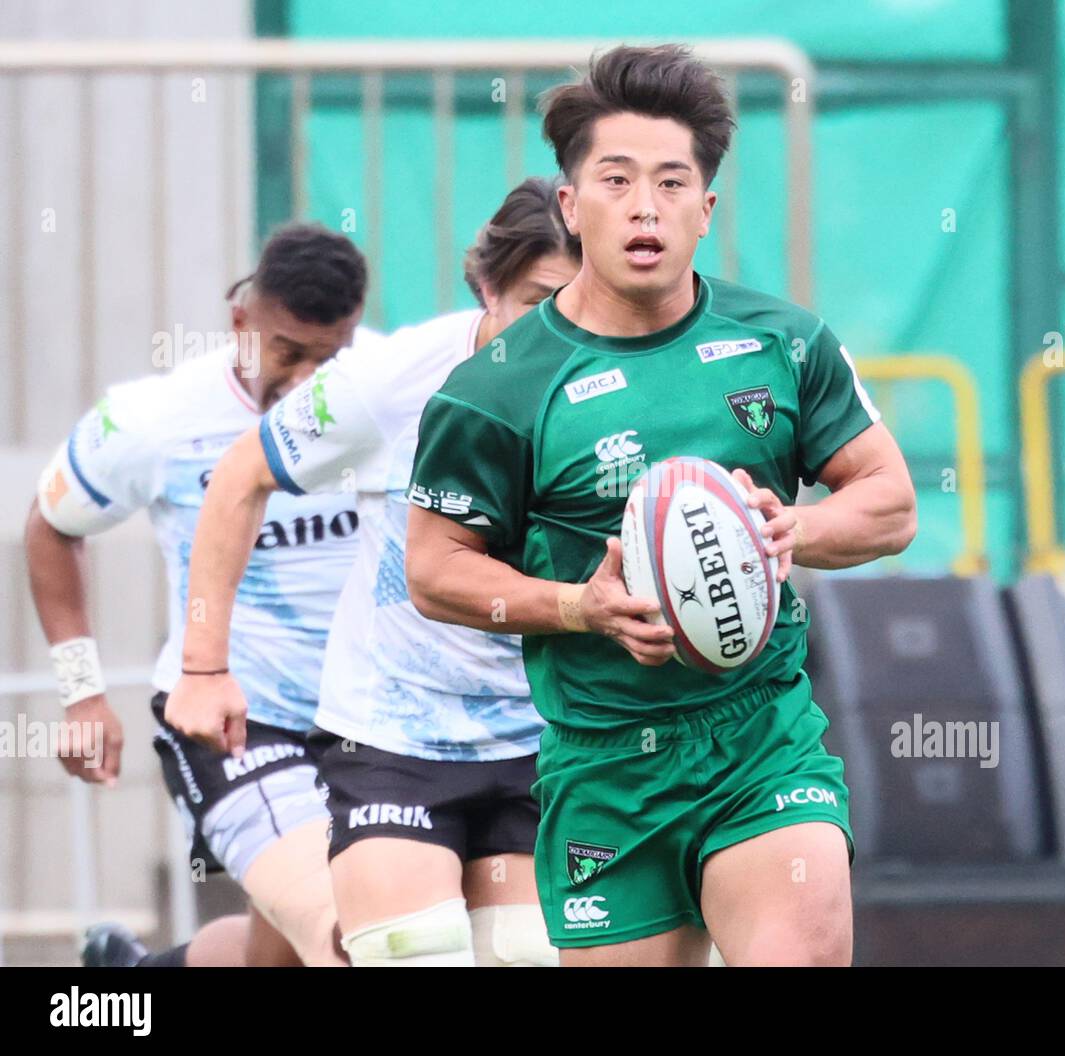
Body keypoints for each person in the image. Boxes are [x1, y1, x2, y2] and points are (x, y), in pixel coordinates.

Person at [402, 44, 917, 967]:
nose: (646, 206)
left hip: (760, 739)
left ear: (706, 209)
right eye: (617, 179)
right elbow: (435, 572)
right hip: (604, 769)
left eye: (673, 182)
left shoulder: (784, 344)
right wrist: (579, 607)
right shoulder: (496, 391)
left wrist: (791, 529)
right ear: (571, 204)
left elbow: (888, 503)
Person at [166, 179, 580, 966]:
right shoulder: (390, 380)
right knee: (401, 952)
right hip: (395, 735)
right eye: (538, 302)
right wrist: (203, 666)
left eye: (581, 305)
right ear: (487, 286)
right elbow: (240, 475)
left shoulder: (622, 387)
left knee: (525, 955)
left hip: (538, 734)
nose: (558, 333)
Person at [25, 223, 367, 967]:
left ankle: (131, 980)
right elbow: (50, 527)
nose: (308, 382)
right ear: (242, 323)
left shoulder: (383, 396)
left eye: (329, 357)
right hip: (239, 728)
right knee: (350, 937)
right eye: (288, 353)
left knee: (276, 958)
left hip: (372, 725)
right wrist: (83, 693)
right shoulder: (157, 421)